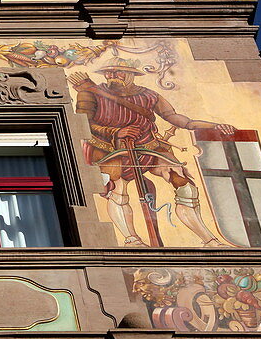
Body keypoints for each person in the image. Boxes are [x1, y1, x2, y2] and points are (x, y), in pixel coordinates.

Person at [69, 59, 235, 247]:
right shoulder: (89, 94)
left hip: (148, 145)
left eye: (117, 72)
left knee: (185, 185)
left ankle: (209, 240)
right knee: (118, 189)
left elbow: (178, 119)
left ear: (132, 74)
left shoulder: (149, 95)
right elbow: (83, 123)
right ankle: (132, 240)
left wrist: (214, 126)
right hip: (108, 148)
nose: (111, 76)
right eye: (108, 72)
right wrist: (115, 132)